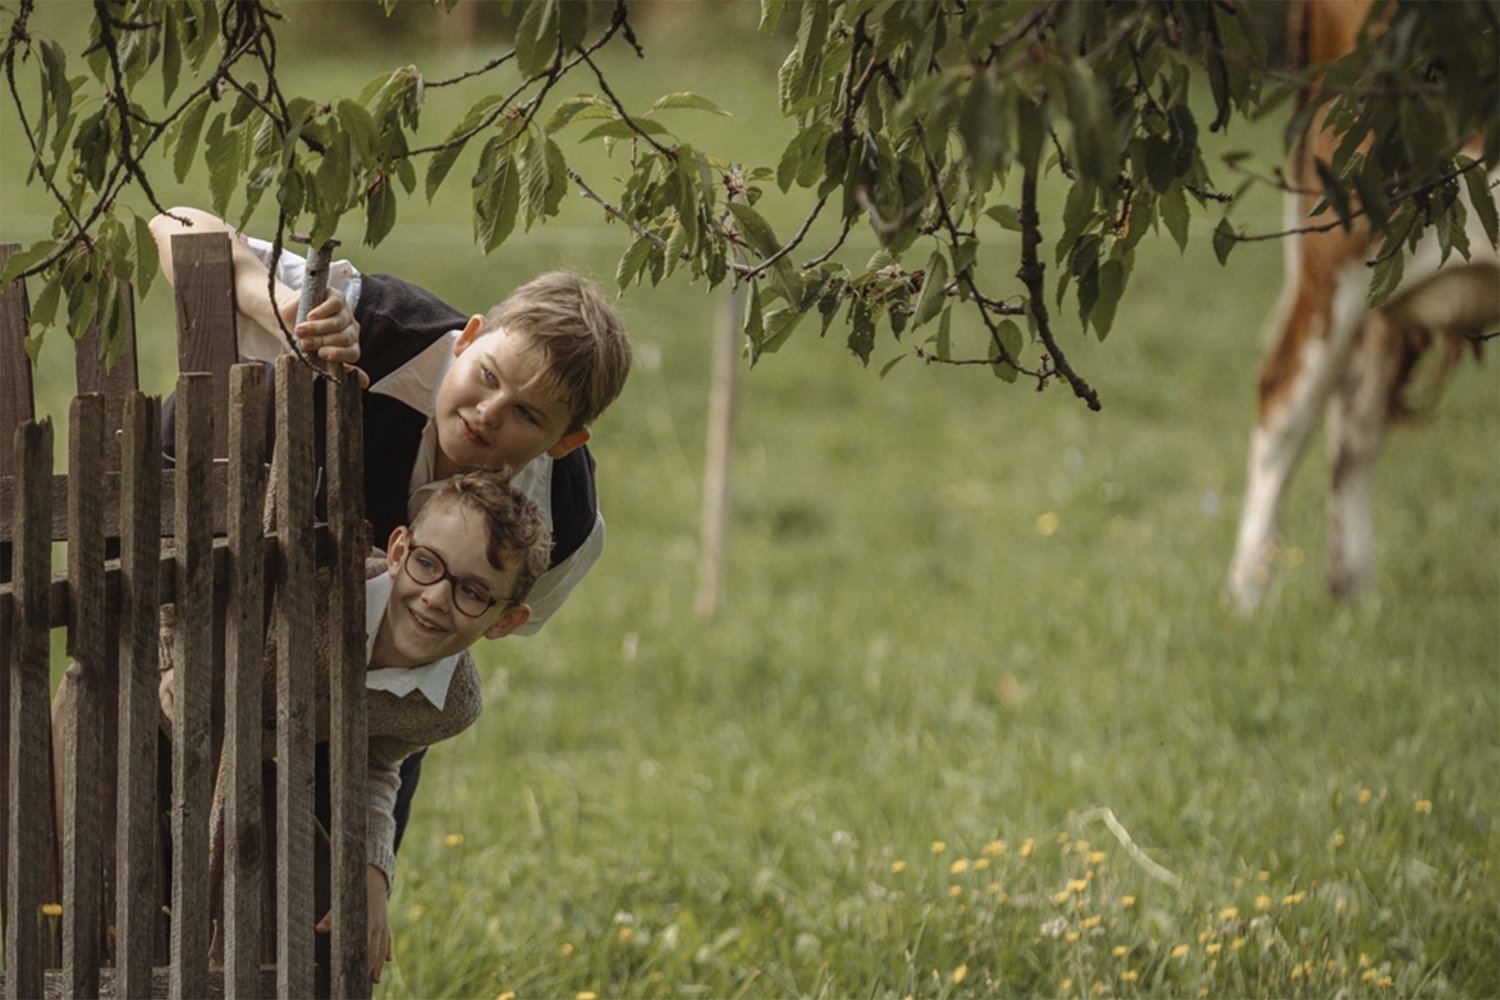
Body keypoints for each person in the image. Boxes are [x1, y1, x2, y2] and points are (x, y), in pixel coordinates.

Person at [149, 207, 632, 848]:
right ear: (469, 336)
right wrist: (289, 312)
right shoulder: (378, 323)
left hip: (372, 694)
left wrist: (369, 853)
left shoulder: (565, 525)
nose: (487, 413)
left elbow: (438, 654)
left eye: (526, 414)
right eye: (487, 374)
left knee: (332, 900)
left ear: (565, 442)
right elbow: (176, 224)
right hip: (218, 587)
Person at [159, 470, 552, 983]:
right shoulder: (316, 579)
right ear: (397, 550)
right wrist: (170, 657)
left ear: (504, 622)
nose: (435, 597)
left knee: (324, 898)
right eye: (428, 564)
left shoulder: (450, 704)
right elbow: (177, 563)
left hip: (234, 771)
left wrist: (371, 867)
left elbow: (373, 760)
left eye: (474, 593)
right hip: (132, 725)